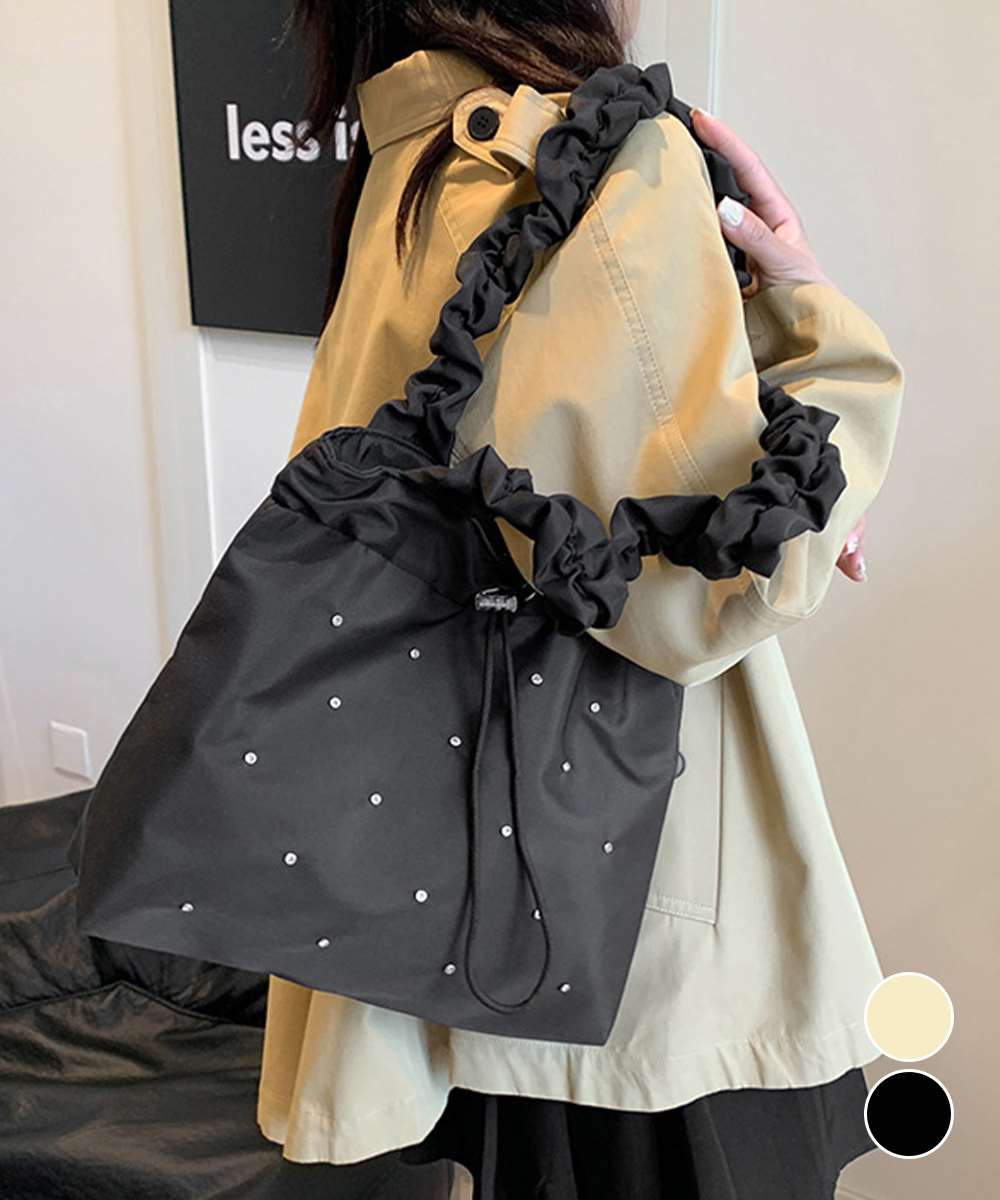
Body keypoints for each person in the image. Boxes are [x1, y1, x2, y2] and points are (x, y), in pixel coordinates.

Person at [256, 2, 905, 1197]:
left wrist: (765, 444)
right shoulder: (588, 156)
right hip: (637, 930)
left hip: (483, 887)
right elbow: (706, 584)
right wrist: (819, 334)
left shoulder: (411, 155)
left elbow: (606, 487)